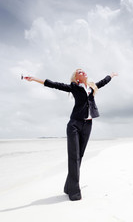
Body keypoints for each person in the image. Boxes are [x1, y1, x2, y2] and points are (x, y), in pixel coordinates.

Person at [24, 69, 118, 201]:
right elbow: (54, 84)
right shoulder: (74, 87)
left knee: (80, 156)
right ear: (76, 77)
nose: (83, 72)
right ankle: (74, 192)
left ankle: (68, 187)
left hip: (88, 125)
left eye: (83, 71)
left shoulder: (92, 87)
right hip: (74, 124)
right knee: (74, 157)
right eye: (79, 72)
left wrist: (112, 75)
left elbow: (104, 82)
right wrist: (34, 79)